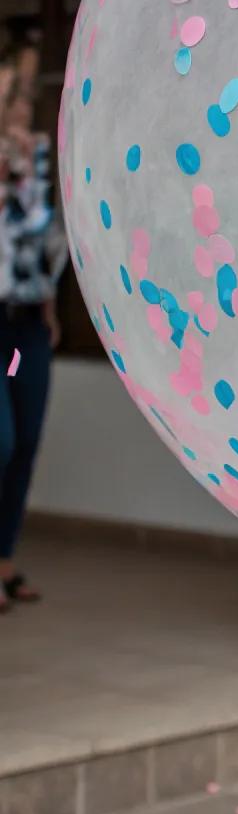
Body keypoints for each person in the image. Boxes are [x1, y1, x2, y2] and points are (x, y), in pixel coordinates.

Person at [0, 45, 67, 614]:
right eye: (8, 99)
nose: (18, 109)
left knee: (22, 439)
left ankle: (5, 560)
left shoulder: (38, 159)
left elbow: (46, 238)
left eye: (21, 98)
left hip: (22, 332)